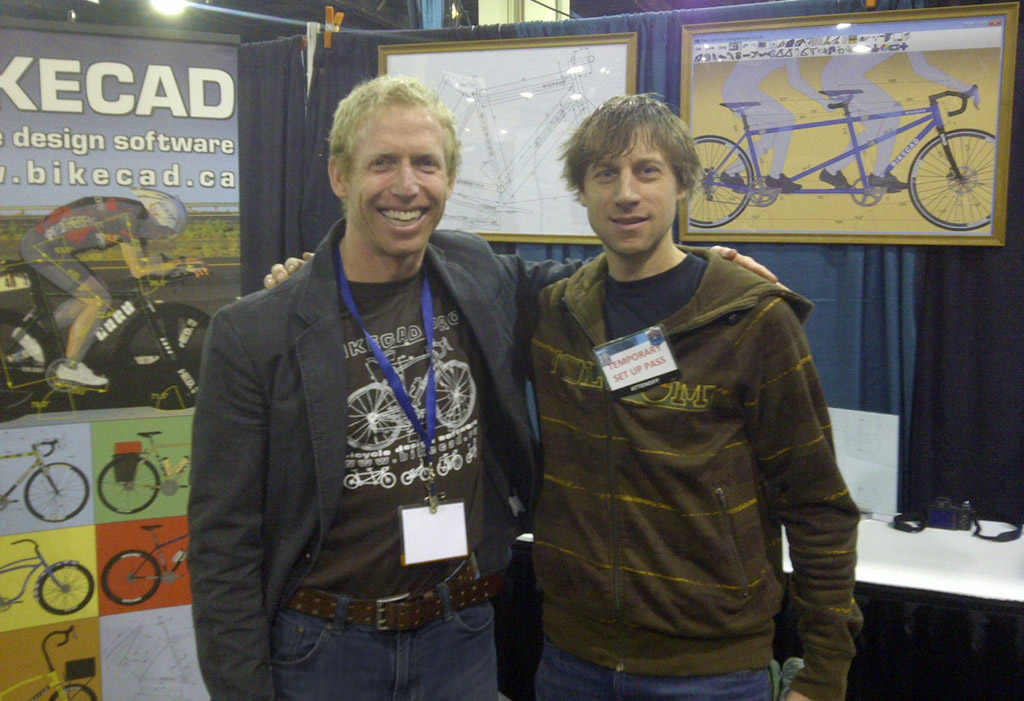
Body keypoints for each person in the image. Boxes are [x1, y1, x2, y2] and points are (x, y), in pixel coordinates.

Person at [246, 77, 779, 700]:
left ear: (450, 179)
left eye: (426, 164)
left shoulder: (475, 271)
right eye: (382, 163)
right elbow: (225, 538)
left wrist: (706, 272)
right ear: (340, 176)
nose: (406, 185)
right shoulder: (269, 324)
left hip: (462, 636)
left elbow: (608, 280)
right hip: (330, 647)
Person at [522, 94, 861, 700]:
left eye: (648, 171)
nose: (626, 193)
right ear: (582, 191)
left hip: (714, 673)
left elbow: (817, 503)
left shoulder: (753, 320)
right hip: (572, 659)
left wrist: (823, 672)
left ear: (682, 185)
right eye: (605, 173)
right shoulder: (555, 313)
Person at [19, 190, 205, 388]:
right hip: (41, 248)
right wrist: (179, 265)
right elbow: (138, 270)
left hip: (42, 244)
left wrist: (177, 263)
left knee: (95, 292)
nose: (161, 238)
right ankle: (69, 368)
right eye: (163, 232)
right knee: (98, 300)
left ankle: (34, 332)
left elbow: (144, 261)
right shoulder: (128, 218)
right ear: (156, 217)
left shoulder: (135, 215)